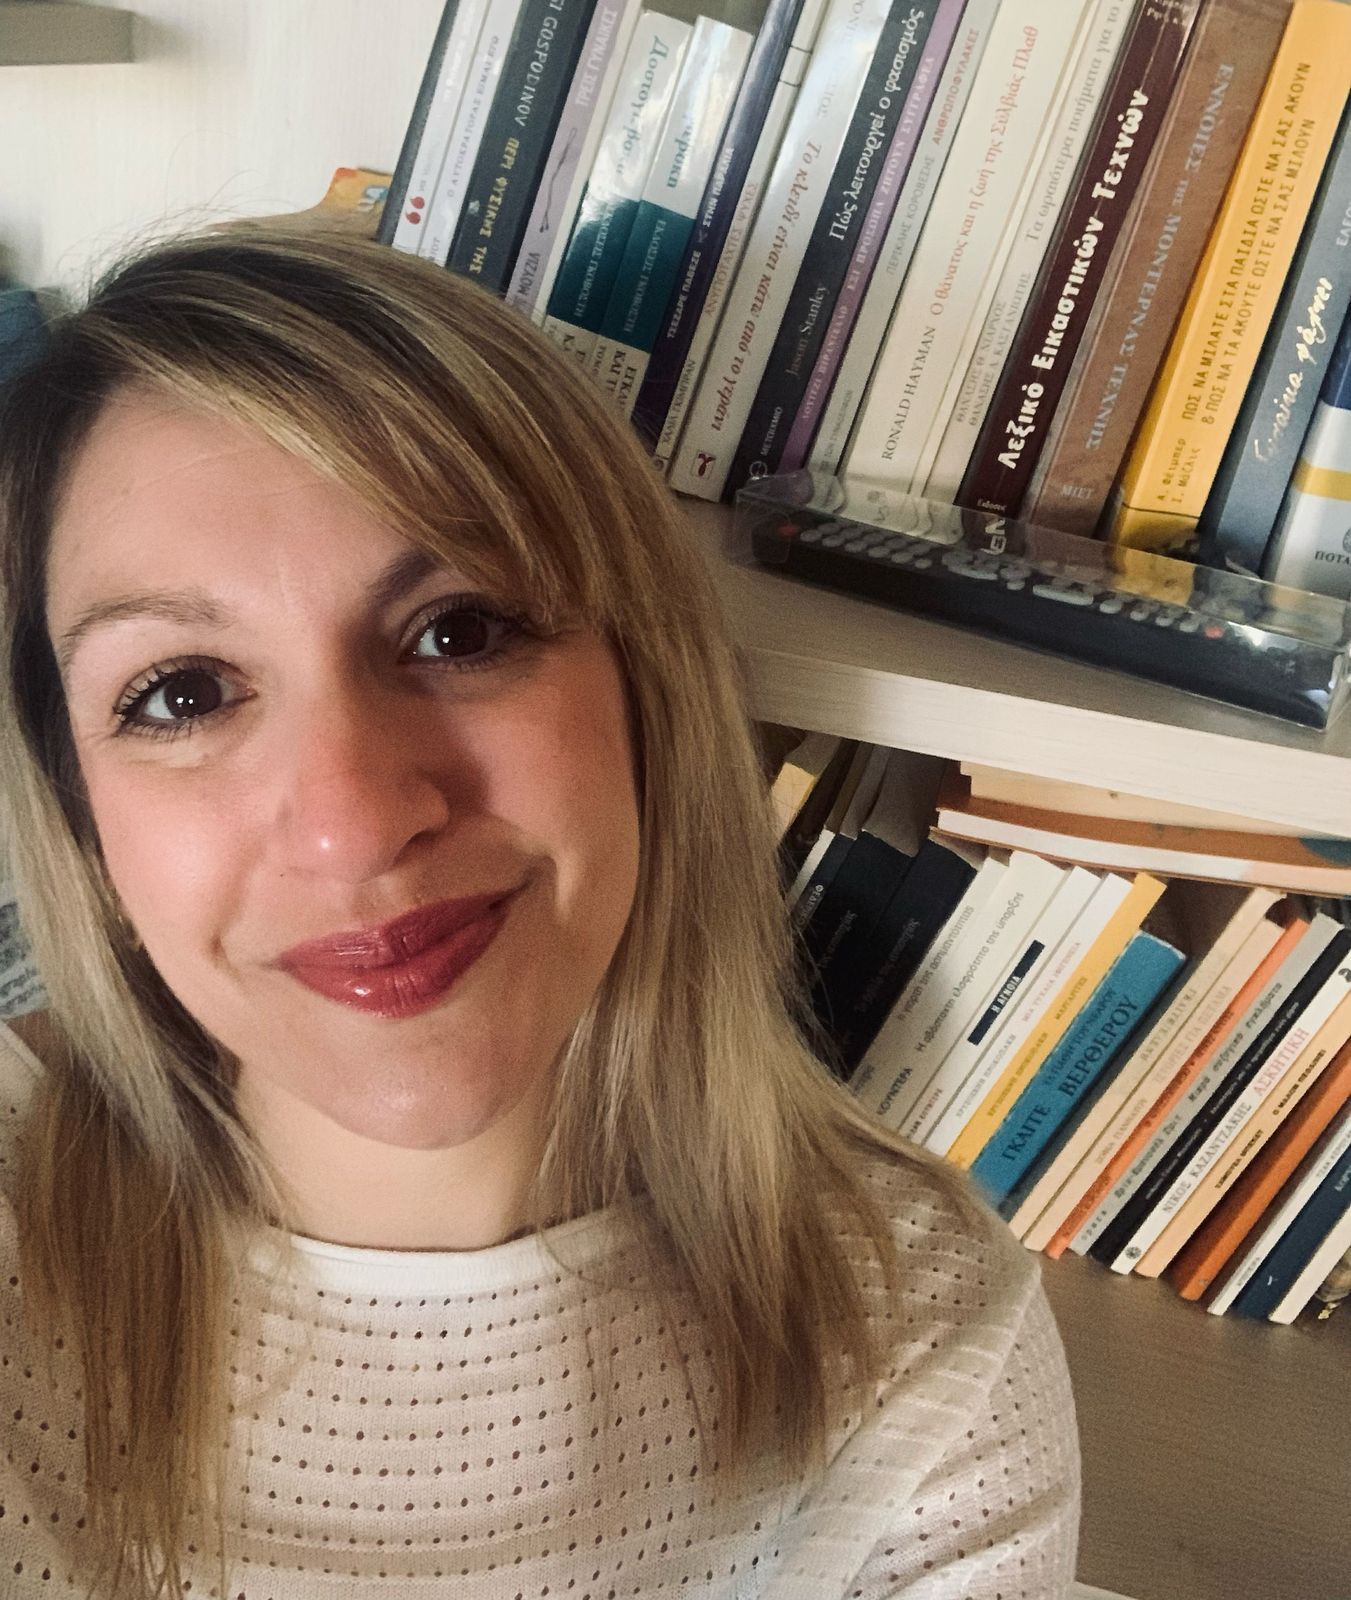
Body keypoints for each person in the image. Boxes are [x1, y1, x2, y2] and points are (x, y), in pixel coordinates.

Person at [0, 226, 1079, 1600]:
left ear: (645, 690)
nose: (353, 825)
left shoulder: (927, 1333)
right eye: (183, 693)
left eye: (458, 630)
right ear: (80, 810)